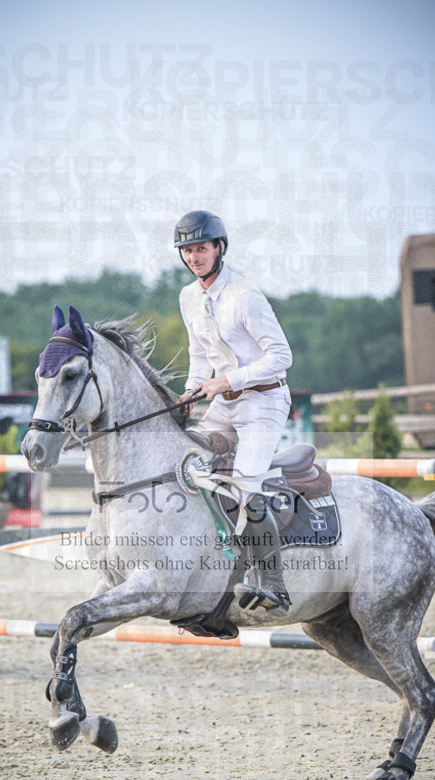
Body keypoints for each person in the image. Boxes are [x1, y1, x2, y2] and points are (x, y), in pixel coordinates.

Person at [175, 210, 293, 612]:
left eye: (201, 248)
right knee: (189, 468)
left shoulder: (245, 296)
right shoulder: (188, 297)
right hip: (224, 407)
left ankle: (274, 581)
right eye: (188, 250)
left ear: (219, 248)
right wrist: (191, 391)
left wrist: (227, 381)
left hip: (264, 402)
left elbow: (282, 356)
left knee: (244, 486)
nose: (195, 257)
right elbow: (198, 354)